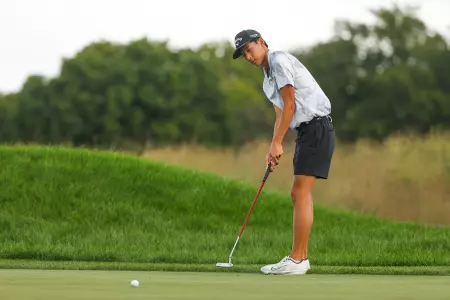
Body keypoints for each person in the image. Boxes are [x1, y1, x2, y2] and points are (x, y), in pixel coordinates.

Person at [232, 29, 335, 275]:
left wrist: (278, 142)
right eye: (243, 53)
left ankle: (298, 260)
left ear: (261, 42)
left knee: (300, 192)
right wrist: (273, 145)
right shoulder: (267, 79)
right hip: (306, 131)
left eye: (249, 48)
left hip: (317, 126)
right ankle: (301, 258)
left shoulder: (278, 61)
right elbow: (281, 114)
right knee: (298, 193)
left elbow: (290, 103)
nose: (248, 56)